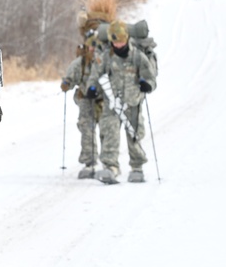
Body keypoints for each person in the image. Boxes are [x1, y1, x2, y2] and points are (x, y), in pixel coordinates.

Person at [85, 20, 157, 184]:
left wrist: (147, 85)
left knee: (134, 135)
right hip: (111, 102)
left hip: (132, 102)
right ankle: (111, 167)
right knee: (109, 133)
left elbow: (150, 77)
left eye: (121, 41)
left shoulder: (138, 57)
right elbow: (95, 75)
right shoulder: (105, 58)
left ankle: (137, 167)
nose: (118, 45)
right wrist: (92, 88)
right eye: (115, 41)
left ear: (127, 39)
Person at [61, 31, 103, 178]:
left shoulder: (106, 60)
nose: (93, 50)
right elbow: (70, 78)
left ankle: (109, 163)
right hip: (86, 99)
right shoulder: (80, 63)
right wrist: (66, 83)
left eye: (96, 47)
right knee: (86, 126)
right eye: (90, 47)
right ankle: (90, 162)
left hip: (105, 98)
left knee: (107, 129)